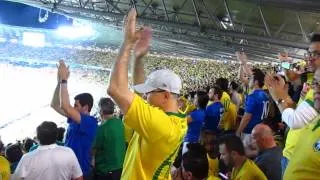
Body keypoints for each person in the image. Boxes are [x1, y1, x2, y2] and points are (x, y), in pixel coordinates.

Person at [107, 9, 187, 179]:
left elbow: (115, 89)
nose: (144, 97)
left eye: (149, 93)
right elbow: (138, 88)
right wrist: (138, 58)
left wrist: (127, 43)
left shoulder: (161, 126)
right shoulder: (177, 118)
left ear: (166, 95)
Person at [51, 60, 98, 179]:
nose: (72, 107)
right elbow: (55, 104)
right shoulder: (74, 119)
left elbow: (64, 105)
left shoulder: (90, 122)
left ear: (86, 107)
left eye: (76, 105)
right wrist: (58, 83)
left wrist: (64, 80)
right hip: (68, 171)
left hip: (81, 173)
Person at [13, 121, 83, 180]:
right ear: (56, 136)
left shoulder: (26, 158)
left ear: (37, 138)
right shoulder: (68, 152)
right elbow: (79, 177)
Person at [236, 68, 269, 157]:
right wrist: (242, 65)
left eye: (250, 78)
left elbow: (246, 118)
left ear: (256, 82)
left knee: (246, 156)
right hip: (259, 129)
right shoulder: (265, 95)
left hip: (249, 132)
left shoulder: (253, 96)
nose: (247, 80)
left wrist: (238, 131)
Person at [92, 98, 126, 180]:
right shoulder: (120, 123)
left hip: (106, 171)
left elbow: (93, 150)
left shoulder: (102, 128)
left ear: (101, 111)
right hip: (120, 168)